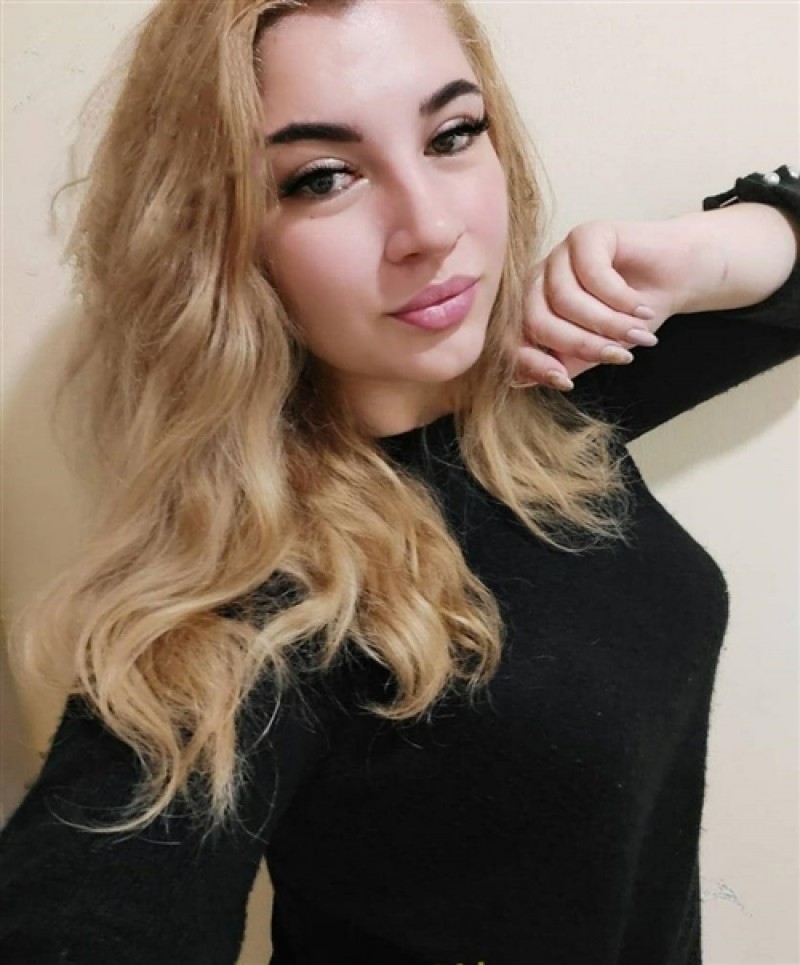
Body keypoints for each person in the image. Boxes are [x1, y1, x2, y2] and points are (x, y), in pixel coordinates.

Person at [1, 1, 798, 963]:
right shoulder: (255, 605)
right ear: (219, 235)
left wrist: (690, 260)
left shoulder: (545, 391)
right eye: (322, 177)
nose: (431, 226)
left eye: (452, 134)